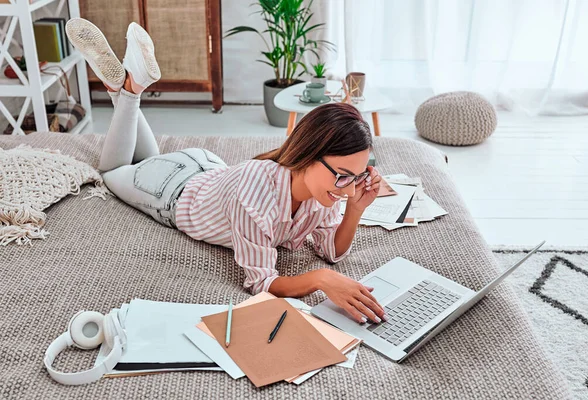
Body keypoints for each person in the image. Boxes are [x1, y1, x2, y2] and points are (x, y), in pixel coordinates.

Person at [66, 18, 387, 324]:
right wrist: (319, 279)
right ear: (309, 154)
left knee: (148, 160)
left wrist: (355, 211)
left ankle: (122, 87)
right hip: (172, 192)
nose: (348, 190)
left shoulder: (322, 194)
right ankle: (130, 91)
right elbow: (262, 283)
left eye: (357, 177)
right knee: (113, 171)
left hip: (204, 167)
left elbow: (330, 250)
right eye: (343, 176)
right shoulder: (256, 199)